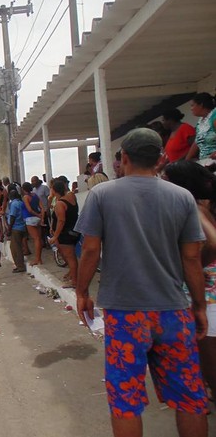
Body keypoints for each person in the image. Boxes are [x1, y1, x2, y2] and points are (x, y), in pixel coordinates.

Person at [75, 128, 209, 437]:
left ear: (123, 158)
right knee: (189, 398)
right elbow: (191, 258)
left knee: (126, 400)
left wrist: (82, 293)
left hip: (125, 316)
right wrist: (199, 307)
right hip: (174, 312)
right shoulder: (182, 197)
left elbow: (91, 249)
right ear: (161, 158)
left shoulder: (102, 194)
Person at [163, 160, 216, 402]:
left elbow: (213, 243)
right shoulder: (204, 206)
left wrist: (194, 266)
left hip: (207, 295)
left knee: (209, 360)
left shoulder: (192, 208)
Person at [48, 179, 80, 288]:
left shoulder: (60, 204)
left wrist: (55, 236)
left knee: (70, 258)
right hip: (74, 230)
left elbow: (61, 221)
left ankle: (75, 281)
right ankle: (72, 274)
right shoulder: (71, 197)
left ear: (54, 190)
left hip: (65, 234)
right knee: (70, 256)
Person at [186, 92, 216, 163]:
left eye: (192, 105)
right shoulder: (200, 121)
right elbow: (197, 141)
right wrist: (187, 160)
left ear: (201, 105)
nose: (191, 109)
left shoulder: (214, 117)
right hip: (206, 163)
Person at [21, 182, 44, 266]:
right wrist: (41, 217)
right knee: (39, 238)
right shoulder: (35, 195)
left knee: (36, 239)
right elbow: (41, 207)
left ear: (23, 189)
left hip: (30, 218)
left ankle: (37, 259)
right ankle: (39, 258)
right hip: (37, 219)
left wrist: (37, 214)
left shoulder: (25, 197)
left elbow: (29, 209)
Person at [6, 190, 27, 273]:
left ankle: (20, 266)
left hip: (16, 227)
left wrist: (9, 229)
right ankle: (19, 265)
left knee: (16, 248)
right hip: (22, 226)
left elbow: (12, 217)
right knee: (16, 247)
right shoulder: (20, 202)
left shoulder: (14, 204)